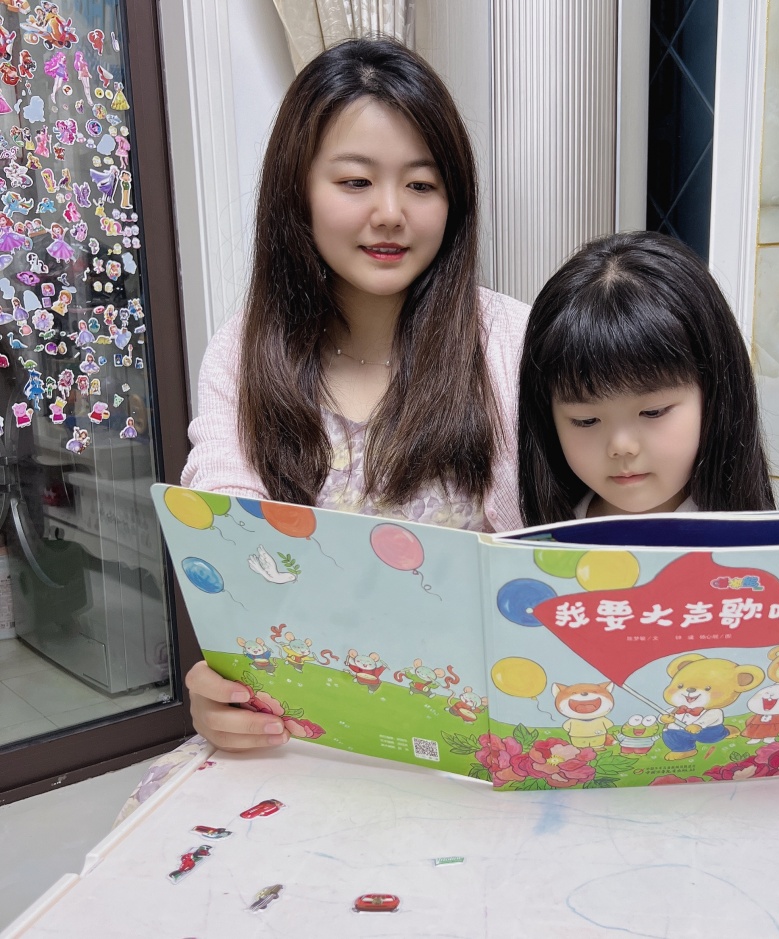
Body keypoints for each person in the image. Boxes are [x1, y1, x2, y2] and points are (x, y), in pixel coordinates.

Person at [181, 37, 528, 751]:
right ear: (297, 191)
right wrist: (220, 694)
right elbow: (225, 540)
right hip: (308, 730)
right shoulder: (244, 353)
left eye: (422, 185)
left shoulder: (511, 340)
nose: (391, 212)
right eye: (356, 181)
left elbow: (584, 535)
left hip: (485, 729)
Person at [517, 230, 779, 785]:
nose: (621, 446)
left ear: (716, 396)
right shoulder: (537, 549)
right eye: (585, 420)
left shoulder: (764, 562)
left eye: (654, 411)